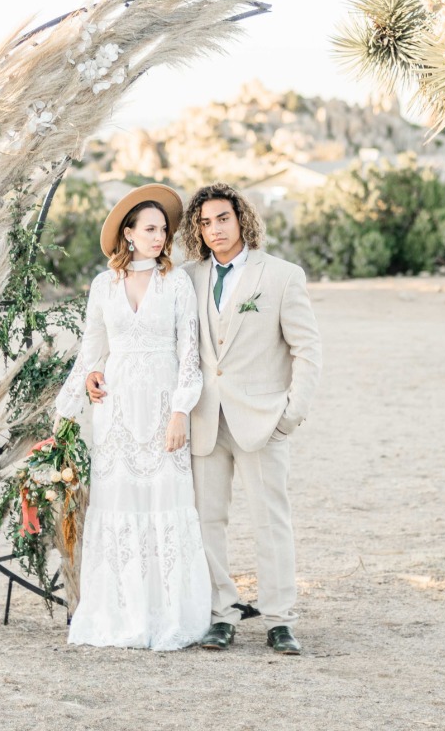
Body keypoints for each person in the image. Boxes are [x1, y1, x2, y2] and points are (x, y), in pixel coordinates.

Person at [54, 183, 210, 650]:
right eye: (150, 229)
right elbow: (91, 349)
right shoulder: (104, 286)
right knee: (119, 506)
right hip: (116, 413)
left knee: (165, 503)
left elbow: (189, 351)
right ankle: (118, 614)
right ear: (128, 233)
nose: (159, 237)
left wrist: (181, 409)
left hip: (163, 409)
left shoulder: (176, 281)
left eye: (163, 229)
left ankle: (167, 615)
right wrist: (79, 391)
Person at [179, 182, 322, 655]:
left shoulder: (281, 276)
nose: (214, 229)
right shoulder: (189, 278)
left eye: (222, 218)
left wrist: (291, 414)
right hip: (205, 420)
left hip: (263, 421)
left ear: (241, 218)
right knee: (207, 521)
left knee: (270, 520)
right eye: (205, 222)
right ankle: (222, 615)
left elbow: (307, 349)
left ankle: (280, 620)